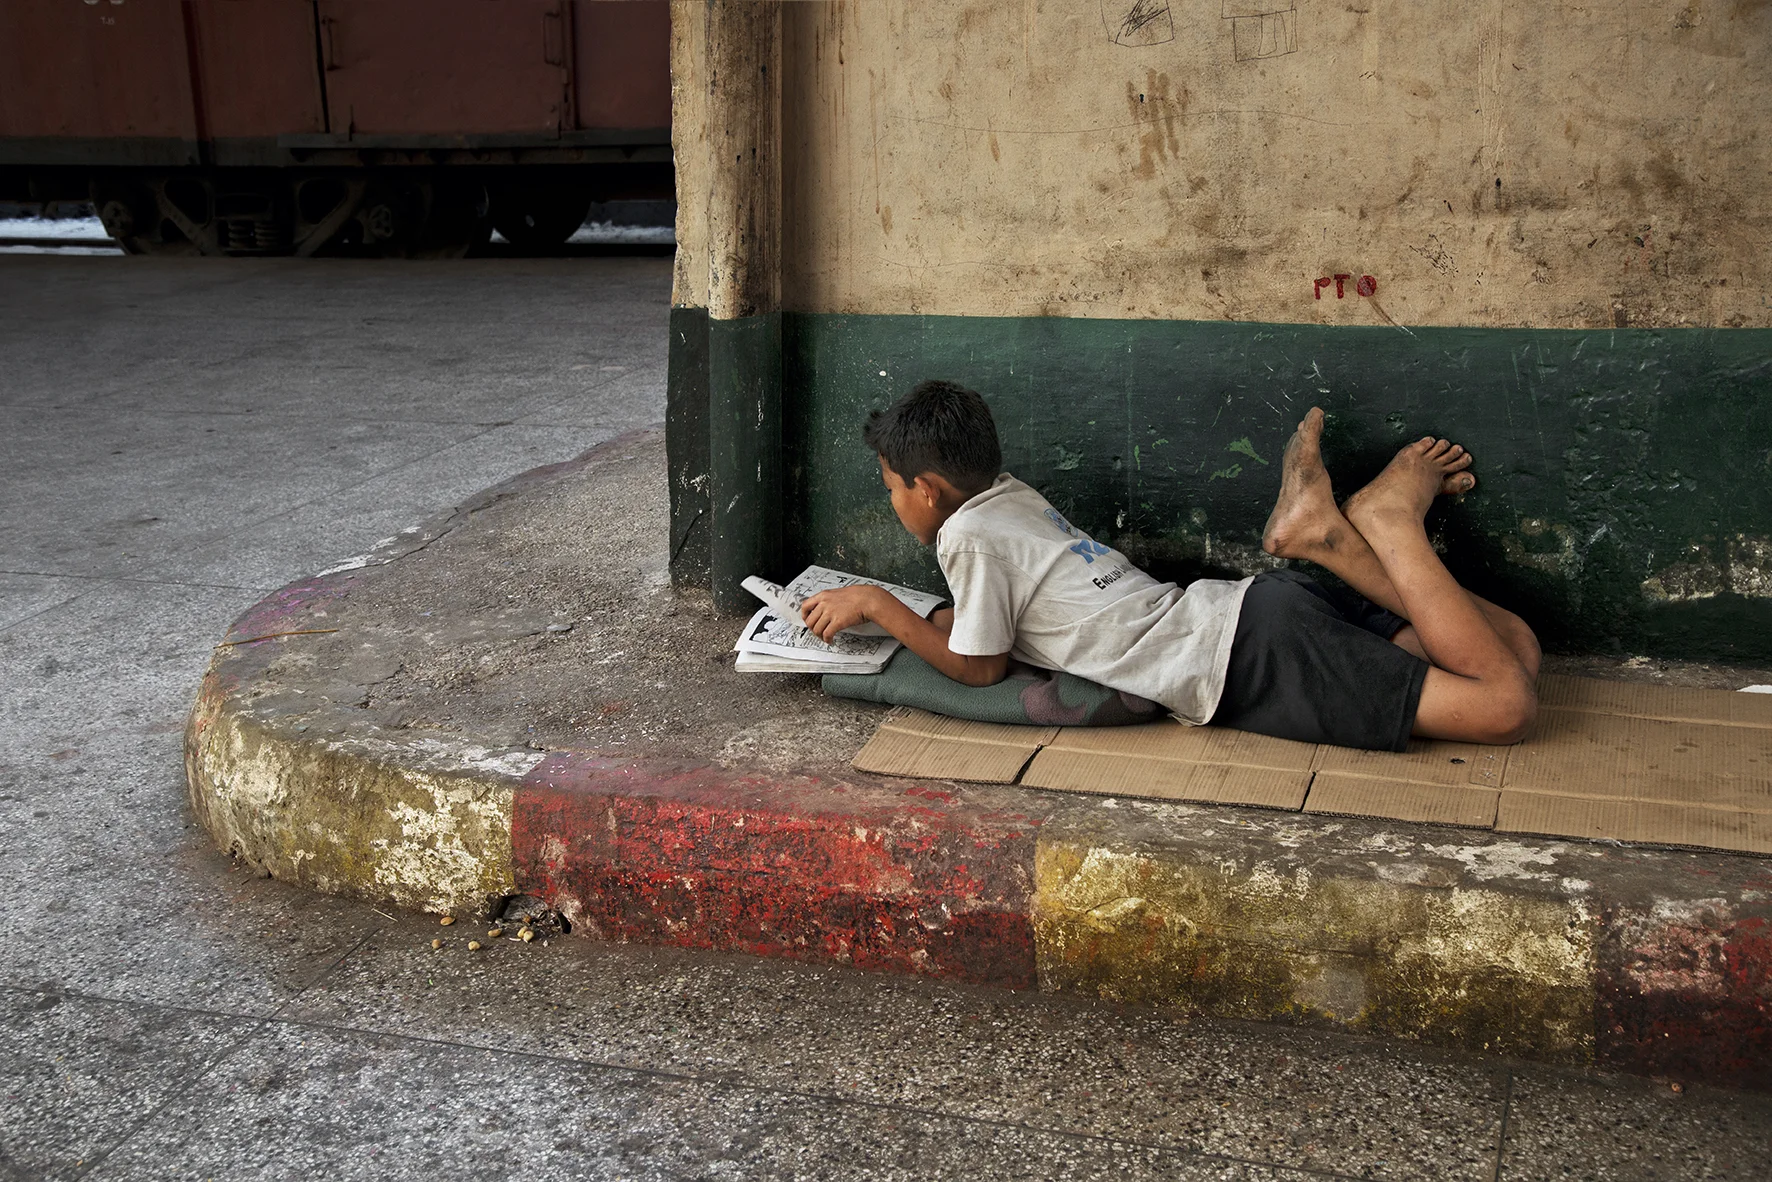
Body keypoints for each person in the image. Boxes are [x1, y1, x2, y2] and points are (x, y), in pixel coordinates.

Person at [799, 379, 1540, 751]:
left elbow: (980, 670)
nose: (895, 502)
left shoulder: (967, 537)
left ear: (926, 490)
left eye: (891, 489)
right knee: (1517, 652)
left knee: (1504, 707)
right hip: (1254, 609)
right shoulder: (1008, 496)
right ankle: (1328, 543)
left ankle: (1386, 523)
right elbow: (1000, 622)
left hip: (1244, 659)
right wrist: (932, 616)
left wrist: (877, 603)